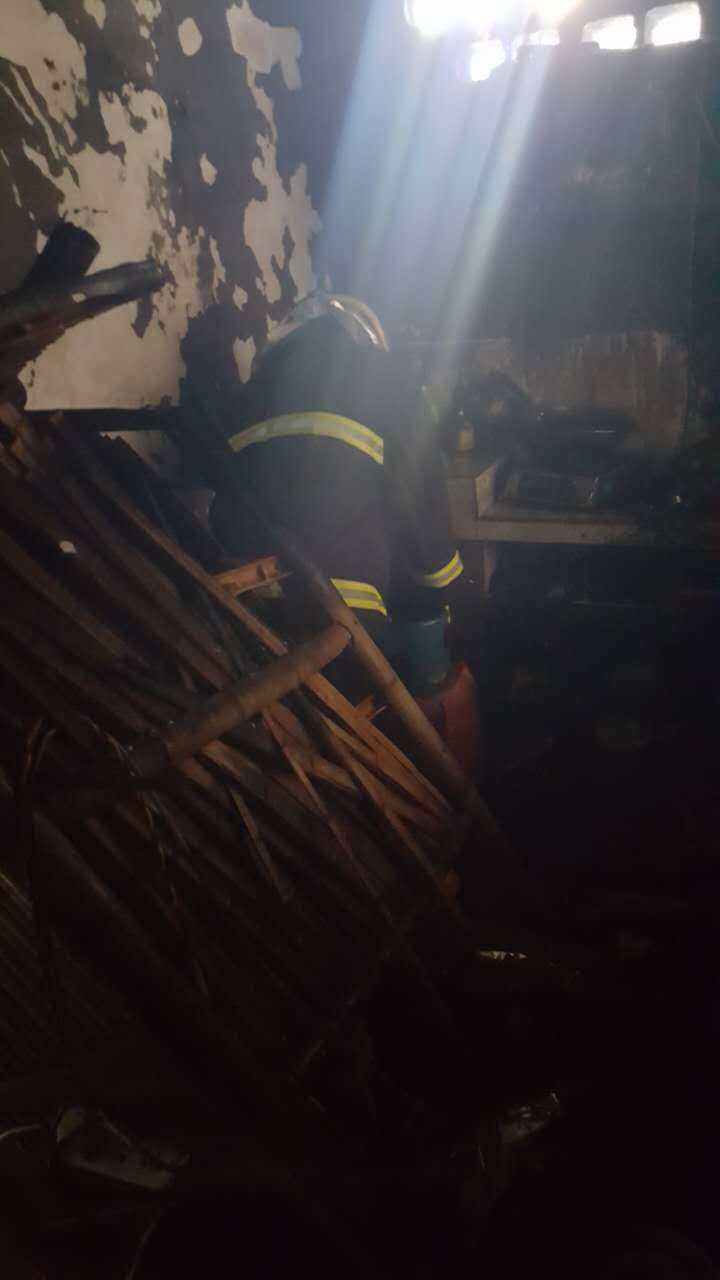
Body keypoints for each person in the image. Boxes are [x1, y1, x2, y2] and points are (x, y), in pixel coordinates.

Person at [210, 291, 464, 647]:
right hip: (344, 612)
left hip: (247, 612)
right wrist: (446, 590)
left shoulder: (244, 399)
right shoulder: (389, 383)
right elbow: (422, 501)